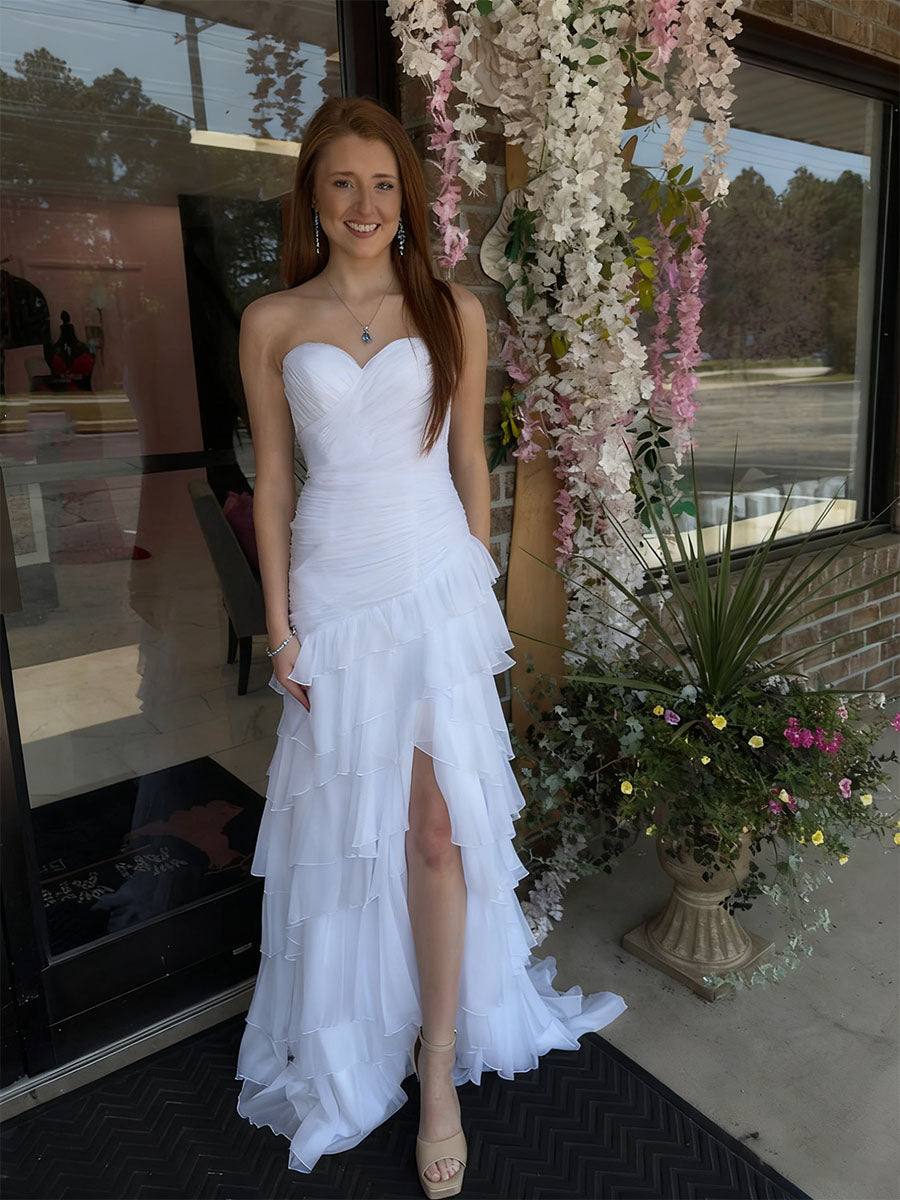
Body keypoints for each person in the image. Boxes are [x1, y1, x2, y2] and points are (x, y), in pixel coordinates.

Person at [234, 95, 626, 1198]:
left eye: (383, 184)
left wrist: (477, 585)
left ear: (407, 199)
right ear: (313, 195)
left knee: (440, 828)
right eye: (343, 183)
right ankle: (366, 1025)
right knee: (353, 829)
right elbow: (274, 483)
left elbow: (468, 464)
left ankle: (439, 1065)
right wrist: (279, 626)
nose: (364, 204)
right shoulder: (271, 319)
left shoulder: (453, 308)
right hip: (333, 590)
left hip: (432, 582)